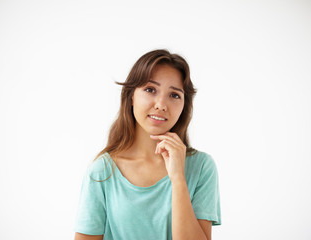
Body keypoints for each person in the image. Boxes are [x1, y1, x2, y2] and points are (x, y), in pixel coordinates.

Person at [74, 49, 221, 240]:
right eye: (150, 90)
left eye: (174, 95)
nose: (161, 104)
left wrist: (178, 179)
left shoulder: (202, 167)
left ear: (184, 105)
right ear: (131, 97)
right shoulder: (101, 172)